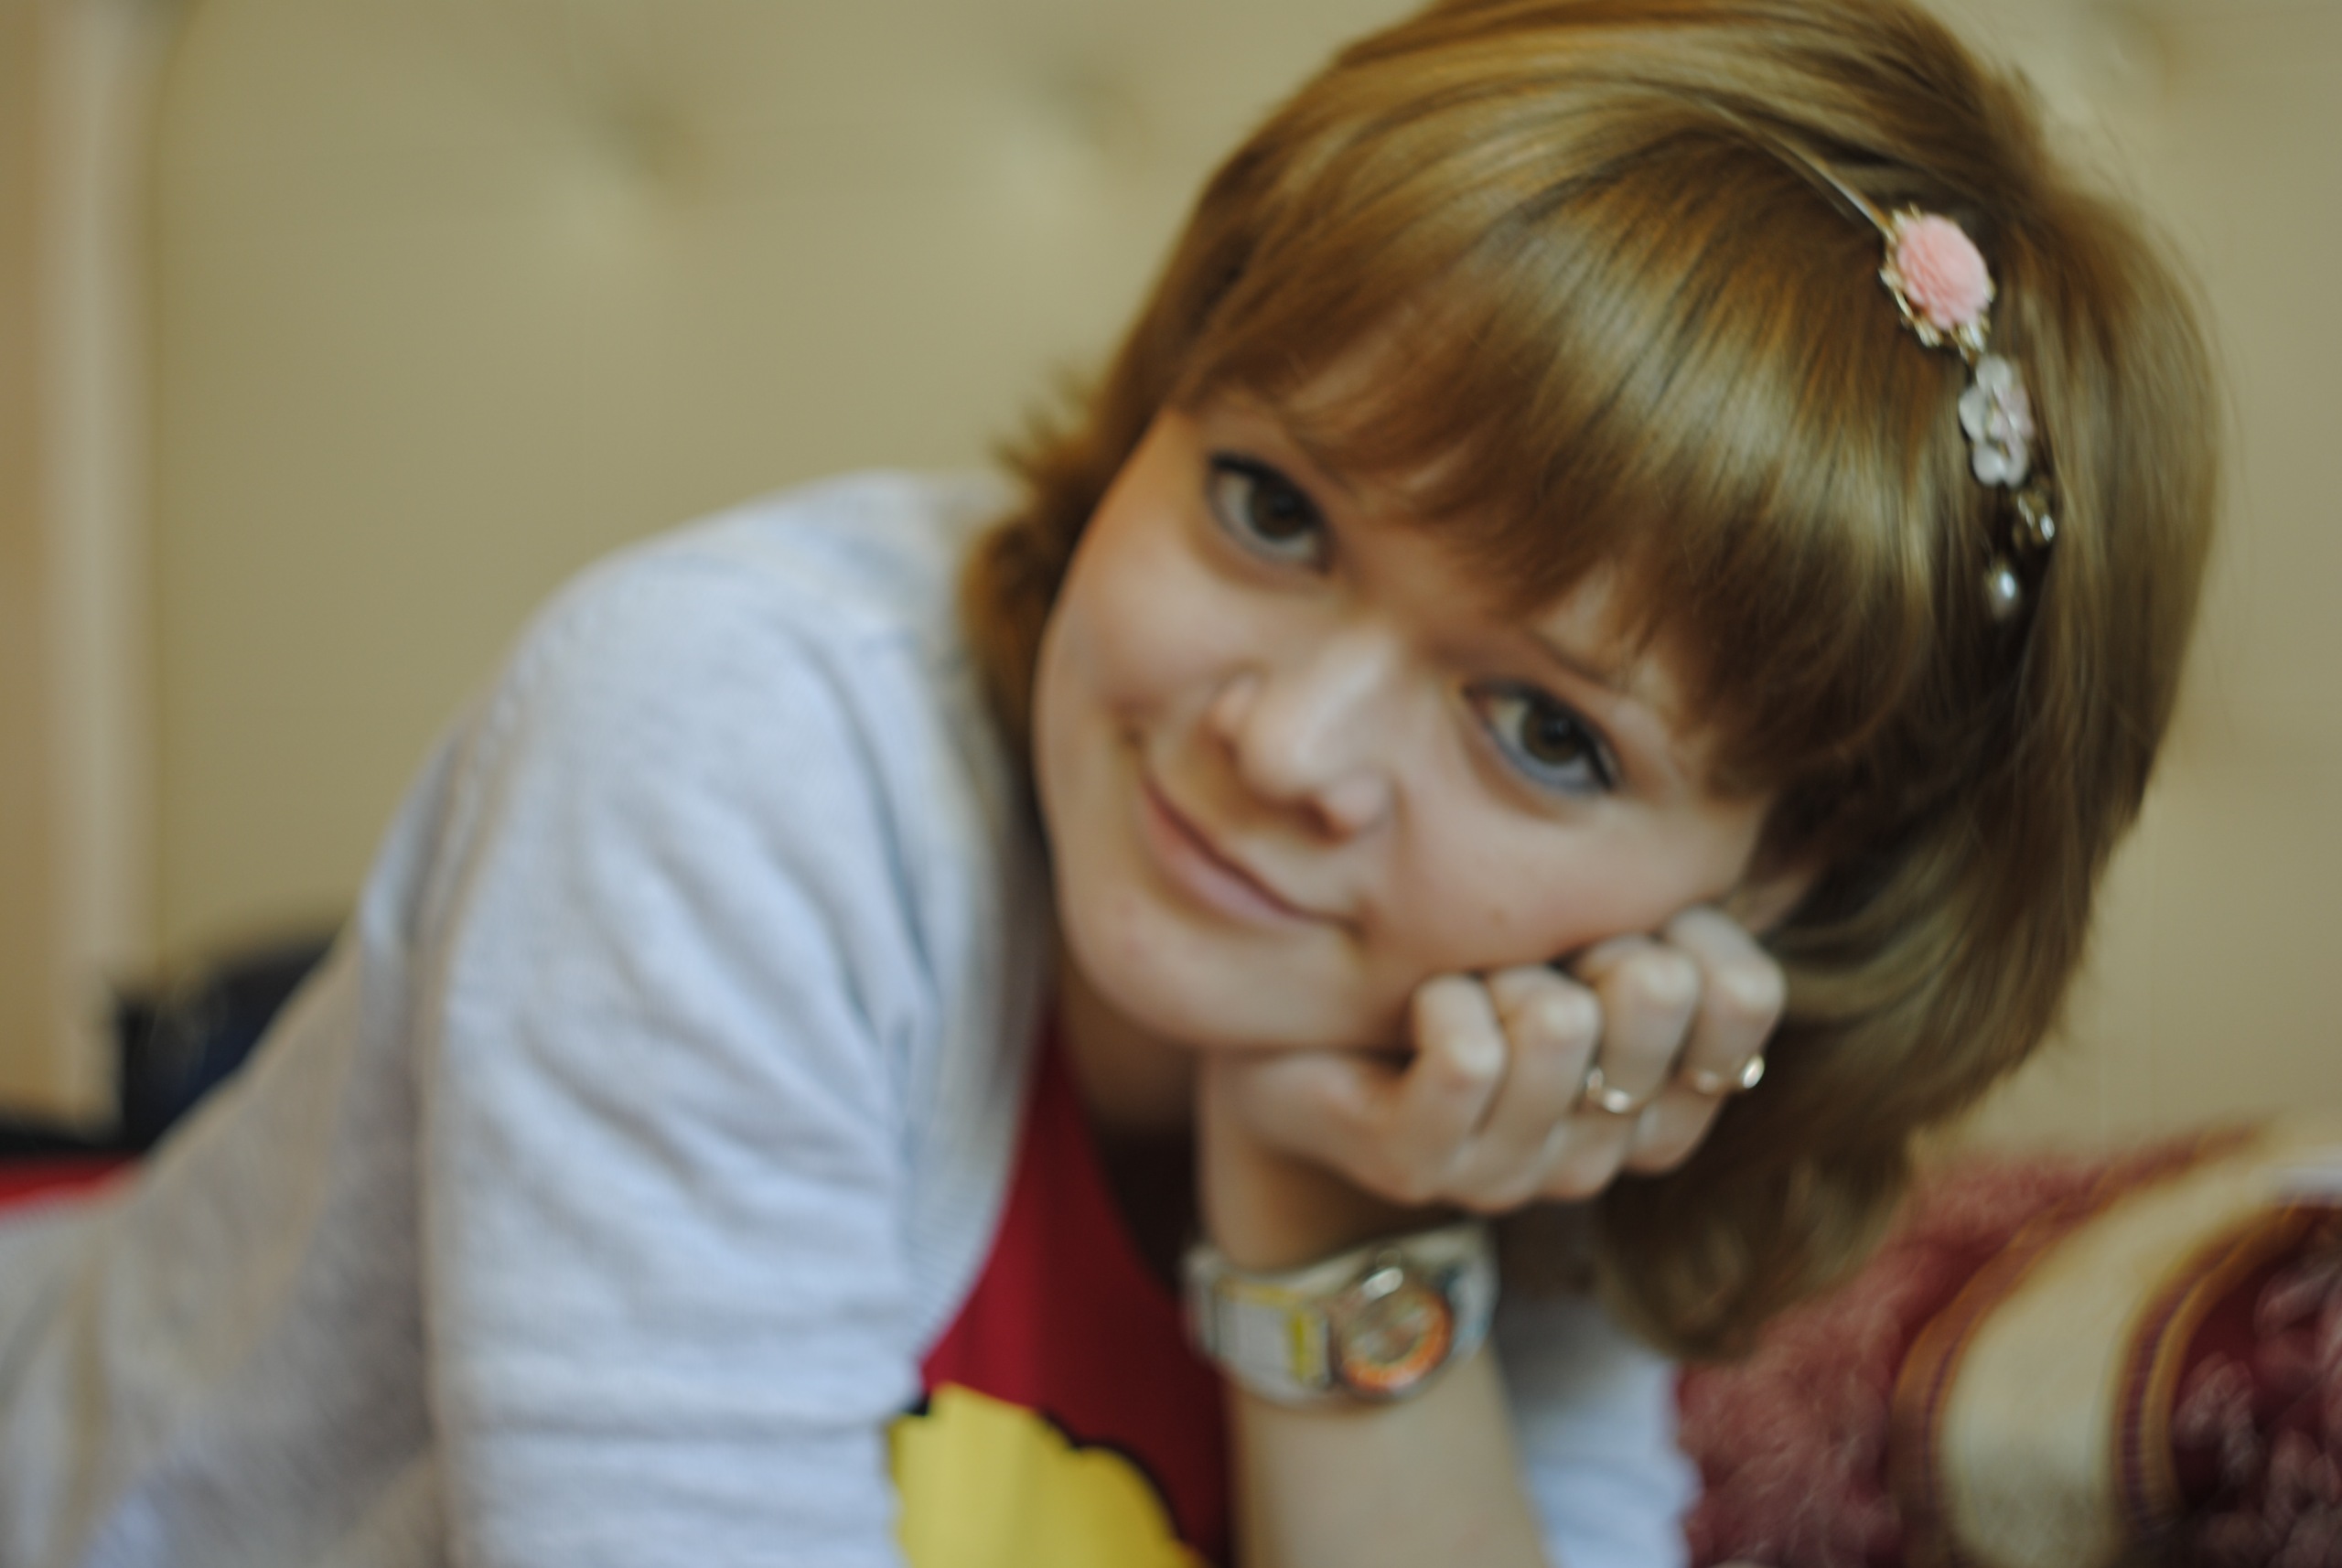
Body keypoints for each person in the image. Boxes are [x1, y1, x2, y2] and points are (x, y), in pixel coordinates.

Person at [0, 1, 2218, 1564]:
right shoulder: (724, 734)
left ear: (1780, 874)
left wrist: (1323, 1209)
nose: (1282, 746)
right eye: (1270, 505)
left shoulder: (1538, 1058)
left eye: (1543, 728)